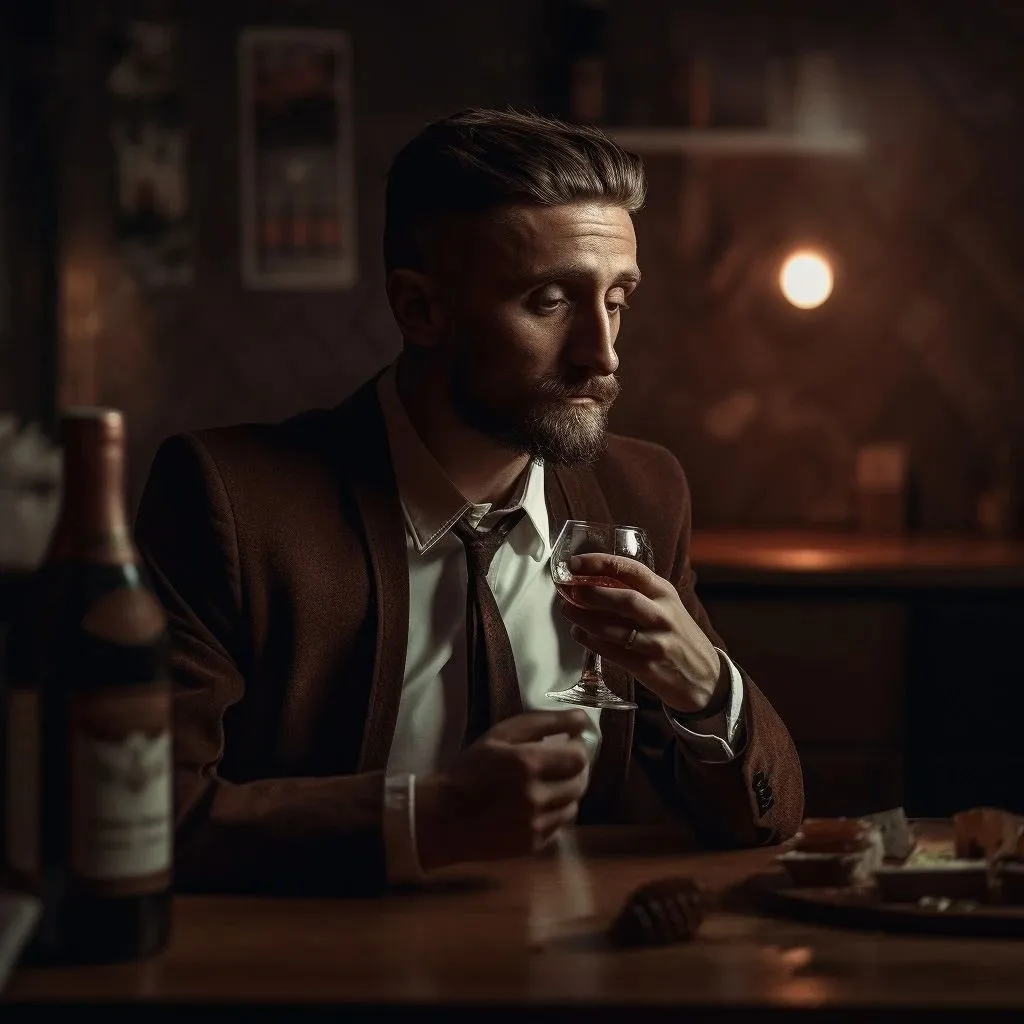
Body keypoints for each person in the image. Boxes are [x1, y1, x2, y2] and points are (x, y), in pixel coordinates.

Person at [135, 108, 803, 896]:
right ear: (419, 309)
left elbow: (764, 821)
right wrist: (423, 819)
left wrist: (708, 690)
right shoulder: (230, 499)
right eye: (551, 301)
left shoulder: (643, 493)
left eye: (617, 299)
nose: (603, 353)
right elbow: (145, 819)